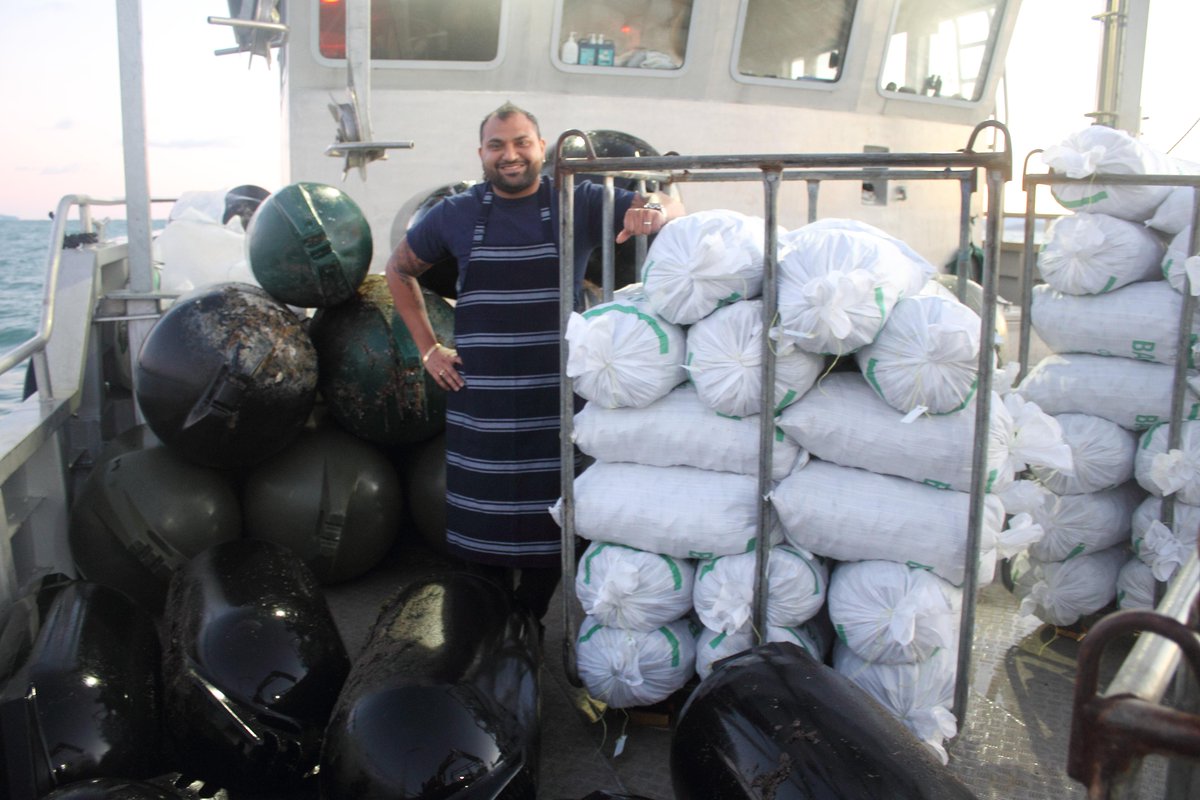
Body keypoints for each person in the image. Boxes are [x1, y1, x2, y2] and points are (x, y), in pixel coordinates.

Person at [385, 102, 684, 620]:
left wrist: (653, 209)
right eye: (498, 145)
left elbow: (669, 208)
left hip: (555, 399)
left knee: (551, 531)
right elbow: (399, 268)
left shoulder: (577, 200)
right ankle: (489, 632)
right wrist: (429, 348)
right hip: (482, 404)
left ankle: (527, 626)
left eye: (522, 142)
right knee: (481, 540)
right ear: (481, 153)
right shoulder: (456, 213)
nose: (511, 154)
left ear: (542, 148)